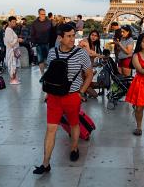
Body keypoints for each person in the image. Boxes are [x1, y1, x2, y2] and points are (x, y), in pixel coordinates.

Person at [33, 23, 93, 174]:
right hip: (54, 97)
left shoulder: (81, 53)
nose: (73, 39)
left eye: (74, 35)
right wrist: (48, 91)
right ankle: (46, 163)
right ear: (60, 38)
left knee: (74, 124)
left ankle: (74, 148)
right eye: (69, 36)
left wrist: (81, 92)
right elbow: (50, 72)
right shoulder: (53, 52)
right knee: (50, 129)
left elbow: (89, 74)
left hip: (72, 96)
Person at [31, 8, 52, 80]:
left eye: (44, 14)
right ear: (39, 14)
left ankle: (49, 75)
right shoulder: (34, 23)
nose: (44, 15)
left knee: (49, 60)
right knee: (40, 60)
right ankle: (43, 75)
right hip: (38, 44)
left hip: (47, 44)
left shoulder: (49, 22)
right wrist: (34, 43)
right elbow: (32, 34)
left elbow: (52, 33)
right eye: (42, 14)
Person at [4, 16, 22, 84]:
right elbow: (11, 42)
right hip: (11, 50)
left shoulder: (10, 30)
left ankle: (14, 78)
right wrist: (18, 39)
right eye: (13, 22)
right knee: (12, 65)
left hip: (14, 50)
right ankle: (13, 79)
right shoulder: (8, 30)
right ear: (9, 22)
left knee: (14, 65)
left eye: (15, 22)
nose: (14, 23)